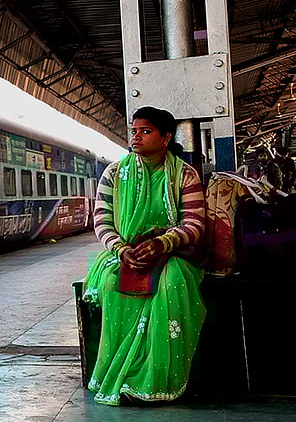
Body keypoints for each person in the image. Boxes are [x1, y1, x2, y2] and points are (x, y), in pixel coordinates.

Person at [82, 106, 207, 406]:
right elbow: (102, 221)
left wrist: (164, 242)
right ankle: (122, 378)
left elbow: (195, 224)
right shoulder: (114, 173)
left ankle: (156, 380)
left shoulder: (185, 175)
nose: (136, 137)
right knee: (113, 284)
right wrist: (122, 249)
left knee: (172, 285)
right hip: (125, 253)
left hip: (171, 254)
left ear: (166, 138)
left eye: (145, 131)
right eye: (134, 131)